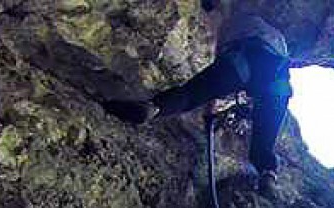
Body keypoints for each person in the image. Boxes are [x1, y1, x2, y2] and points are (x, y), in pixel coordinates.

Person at [102, 2, 292, 190]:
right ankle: (268, 176)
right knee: (263, 145)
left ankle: (152, 108)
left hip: (240, 63)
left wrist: (211, 107)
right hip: (278, 85)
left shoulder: (234, 23)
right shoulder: (278, 38)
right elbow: (262, 80)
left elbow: (219, 73)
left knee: (190, 94)